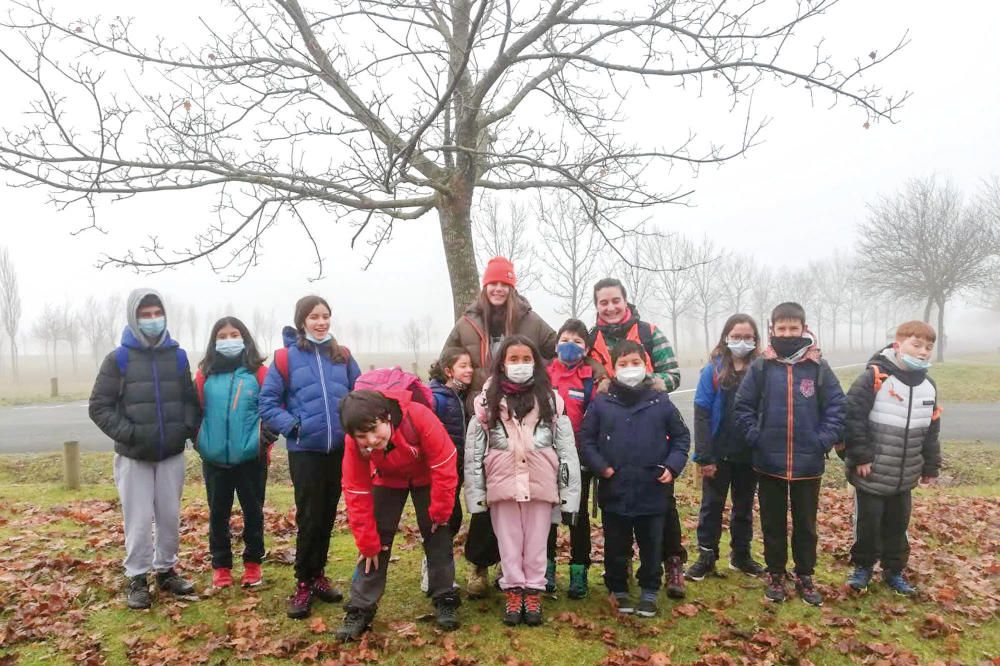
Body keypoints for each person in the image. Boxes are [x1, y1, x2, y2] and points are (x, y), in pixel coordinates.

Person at [442, 256, 558, 596]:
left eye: (504, 283)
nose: (497, 288)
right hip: (481, 416)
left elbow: (559, 350)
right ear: (485, 286)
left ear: (512, 287)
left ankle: (526, 571)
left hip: (524, 414)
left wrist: (538, 378)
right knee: (489, 490)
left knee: (525, 495)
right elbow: (446, 362)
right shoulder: (466, 323)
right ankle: (480, 564)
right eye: (493, 282)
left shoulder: (530, 320)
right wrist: (487, 378)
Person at [88, 288, 200, 610]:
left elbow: (189, 400)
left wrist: (185, 429)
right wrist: (129, 433)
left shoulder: (178, 356)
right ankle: (137, 576)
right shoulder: (118, 359)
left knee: (169, 515)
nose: (152, 320)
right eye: (145, 314)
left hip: (170, 455)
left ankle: (166, 570)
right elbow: (99, 406)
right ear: (134, 318)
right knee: (137, 519)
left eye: (156, 313)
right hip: (134, 456)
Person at [733, 302, 846, 606]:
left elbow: (837, 407)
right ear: (772, 330)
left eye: (793, 328)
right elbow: (743, 407)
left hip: (808, 464)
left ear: (803, 328)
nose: (787, 333)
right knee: (772, 522)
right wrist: (756, 437)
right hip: (769, 462)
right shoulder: (762, 366)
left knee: (806, 524)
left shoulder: (818, 367)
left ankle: (805, 574)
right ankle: (775, 573)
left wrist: (822, 440)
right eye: (781, 328)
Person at [464, 335, 581, 627]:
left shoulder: (552, 401)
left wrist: (569, 495)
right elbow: (474, 454)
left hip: (540, 483)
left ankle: (533, 591)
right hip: (502, 485)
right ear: (502, 364)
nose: (520, 365)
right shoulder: (485, 405)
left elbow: (566, 452)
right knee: (509, 541)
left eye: (526, 359)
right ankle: (513, 589)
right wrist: (477, 496)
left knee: (537, 542)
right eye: (513, 359)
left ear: (536, 362)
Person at [258, 295, 362, 619]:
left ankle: (318, 576)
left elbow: (360, 394)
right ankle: (303, 582)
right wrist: (294, 427)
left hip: (339, 451)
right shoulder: (285, 358)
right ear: (302, 320)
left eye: (325, 316)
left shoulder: (342, 356)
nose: (321, 322)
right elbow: (268, 403)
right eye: (314, 316)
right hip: (305, 451)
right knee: (309, 517)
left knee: (328, 515)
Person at [335, 389, 461, 641]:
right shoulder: (354, 444)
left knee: (438, 533)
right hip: (387, 479)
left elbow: (444, 462)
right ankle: (360, 607)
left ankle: (445, 596)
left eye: (375, 429)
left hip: (427, 476)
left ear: (387, 417)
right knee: (374, 544)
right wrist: (366, 541)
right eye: (362, 436)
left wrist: (440, 510)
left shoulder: (419, 417)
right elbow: (355, 490)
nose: (371, 440)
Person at [587, 278, 686, 595]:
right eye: (604, 302)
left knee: (662, 508)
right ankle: (621, 567)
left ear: (625, 300)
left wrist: (646, 382)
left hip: (652, 435)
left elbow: (673, 374)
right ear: (597, 306)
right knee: (615, 511)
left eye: (615, 300)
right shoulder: (591, 340)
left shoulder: (649, 333)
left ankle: (671, 563)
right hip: (611, 433)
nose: (610, 307)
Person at [580, 340, 690, 619]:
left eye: (635, 363)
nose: (630, 369)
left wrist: (673, 466)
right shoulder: (602, 402)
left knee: (652, 544)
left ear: (646, 365)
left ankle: (650, 589)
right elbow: (587, 439)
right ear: (613, 368)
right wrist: (600, 467)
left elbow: (681, 437)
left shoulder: (660, 401)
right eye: (623, 364)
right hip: (615, 489)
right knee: (616, 545)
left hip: (653, 489)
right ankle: (618, 589)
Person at [843, 321, 941, 596]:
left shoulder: (929, 387)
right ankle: (862, 568)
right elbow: (853, 419)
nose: (922, 352)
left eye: (928, 347)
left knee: (898, 525)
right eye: (916, 345)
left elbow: (931, 430)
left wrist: (930, 466)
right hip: (871, 472)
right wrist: (860, 456)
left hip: (905, 475)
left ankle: (894, 571)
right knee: (868, 524)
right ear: (898, 345)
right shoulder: (873, 378)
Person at [193, 316, 275, 589]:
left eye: (234, 334)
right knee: (218, 513)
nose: (229, 340)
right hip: (215, 459)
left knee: (253, 512)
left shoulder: (259, 373)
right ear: (214, 341)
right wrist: (200, 441)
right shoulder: (205, 374)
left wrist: (263, 442)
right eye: (223, 336)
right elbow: (196, 411)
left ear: (245, 338)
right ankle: (221, 566)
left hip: (251, 459)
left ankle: (253, 564)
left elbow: (271, 409)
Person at [687, 314, 765, 581]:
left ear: (755, 340)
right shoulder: (713, 370)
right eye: (736, 336)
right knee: (712, 506)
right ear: (726, 337)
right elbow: (702, 412)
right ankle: (706, 557)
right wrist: (705, 456)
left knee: (743, 507)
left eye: (747, 336)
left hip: (750, 452)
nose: (741, 341)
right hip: (719, 453)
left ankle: (741, 556)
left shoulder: (762, 369)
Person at [544, 318, 606, 599]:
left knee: (577, 518)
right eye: (566, 340)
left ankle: (579, 572)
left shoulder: (589, 378)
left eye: (578, 342)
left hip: (579, 459)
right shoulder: (543, 374)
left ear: (586, 349)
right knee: (547, 517)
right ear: (556, 344)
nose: (571, 346)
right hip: (545, 456)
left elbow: (596, 417)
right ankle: (546, 570)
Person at [420, 348, 474, 593]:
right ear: (448, 371)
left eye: (470, 365)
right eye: (463, 366)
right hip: (440, 471)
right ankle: (433, 572)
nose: (470, 370)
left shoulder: (460, 396)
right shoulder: (437, 398)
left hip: (458, 469)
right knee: (444, 520)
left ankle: (437, 568)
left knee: (453, 518)